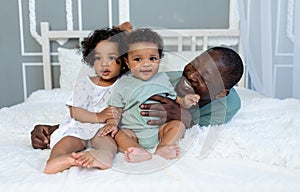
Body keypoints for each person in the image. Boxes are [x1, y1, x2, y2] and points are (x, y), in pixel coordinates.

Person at [31, 37, 244, 150]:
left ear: (220, 93)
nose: (192, 75)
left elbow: (196, 127)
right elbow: (113, 111)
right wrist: (58, 129)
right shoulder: (165, 81)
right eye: (195, 64)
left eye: (206, 78)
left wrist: (181, 114)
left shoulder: (228, 105)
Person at [98, 28, 199, 163]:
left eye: (152, 58)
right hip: (133, 131)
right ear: (127, 62)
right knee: (119, 135)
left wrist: (185, 101)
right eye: (138, 59)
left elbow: (175, 100)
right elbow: (116, 109)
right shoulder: (123, 84)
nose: (146, 64)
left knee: (178, 125)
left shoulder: (162, 78)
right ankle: (135, 149)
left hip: (159, 130)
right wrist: (112, 124)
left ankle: (163, 146)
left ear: (159, 59)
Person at [43, 27, 129, 174]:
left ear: (123, 61)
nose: (104, 63)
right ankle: (58, 159)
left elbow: (120, 108)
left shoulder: (124, 83)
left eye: (111, 58)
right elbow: (75, 111)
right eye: (98, 58)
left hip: (103, 130)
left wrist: (110, 122)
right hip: (80, 125)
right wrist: (99, 116)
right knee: (66, 142)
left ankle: (102, 157)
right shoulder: (85, 83)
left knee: (108, 146)